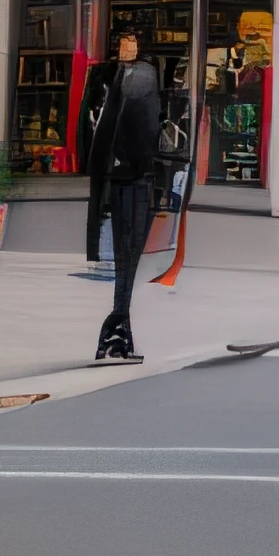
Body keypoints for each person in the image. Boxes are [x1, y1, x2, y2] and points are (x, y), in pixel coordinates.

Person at [88, 42, 176, 363]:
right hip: (137, 182)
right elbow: (150, 135)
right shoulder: (143, 83)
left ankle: (118, 330)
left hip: (119, 180)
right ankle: (115, 329)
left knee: (127, 260)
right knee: (129, 257)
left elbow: (99, 142)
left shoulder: (113, 87)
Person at [75, 28, 145, 275]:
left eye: (133, 46)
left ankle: (125, 254)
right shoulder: (102, 73)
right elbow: (88, 113)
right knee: (100, 201)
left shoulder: (144, 74)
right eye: (126, 45)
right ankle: (99, 253)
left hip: (129, 150)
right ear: (118, 47)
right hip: (105, 147)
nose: (129, 50)